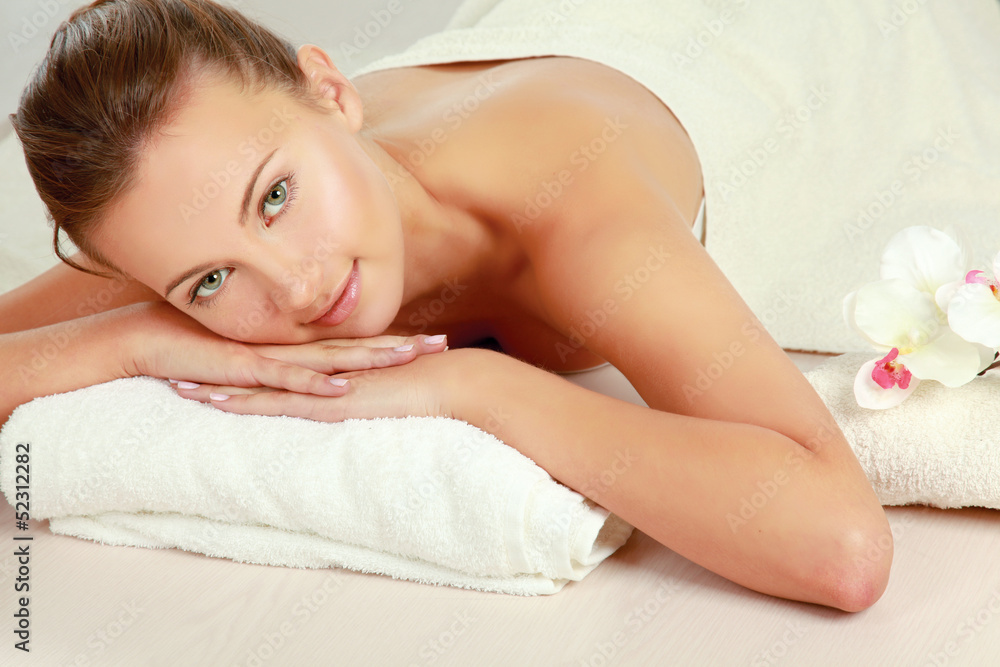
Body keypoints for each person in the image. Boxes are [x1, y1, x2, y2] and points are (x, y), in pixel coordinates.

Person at [0, 0, 891, 611]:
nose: (295, 287)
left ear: (331, 92)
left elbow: (843, 546)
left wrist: (475, 388)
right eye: (206, 283)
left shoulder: (574, 213)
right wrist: (134, 339)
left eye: (276, 196)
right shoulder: (185, 206)